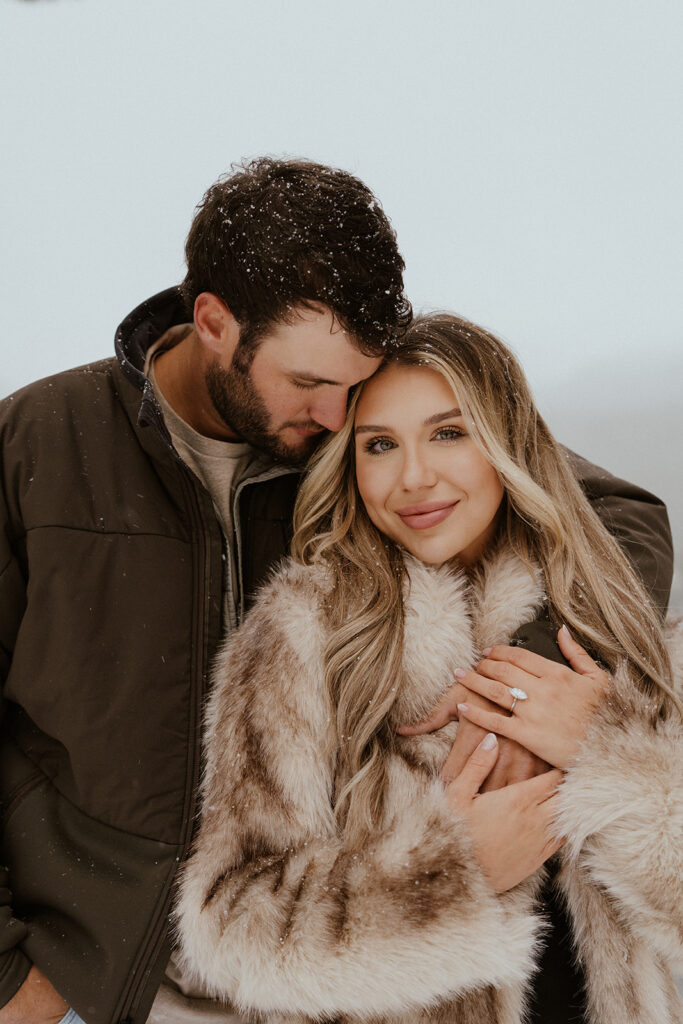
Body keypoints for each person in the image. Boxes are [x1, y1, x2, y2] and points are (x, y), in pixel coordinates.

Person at [0, 151, 673, 1024]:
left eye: (354, 392)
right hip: (102, 967)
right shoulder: (39, 446)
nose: (337, 420)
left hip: (330, 968)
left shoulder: (369, 427)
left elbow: (613, 516)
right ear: (213, 323)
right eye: (311, 385)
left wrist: (520, 685)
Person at [175, 313, 682, 1024]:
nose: (413, 478)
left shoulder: (629, 641)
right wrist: (451, 878)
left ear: (509, 447)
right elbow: (230, 926)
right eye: (379, 445)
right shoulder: (304, 634)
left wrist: (608, 754)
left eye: (448, 433)